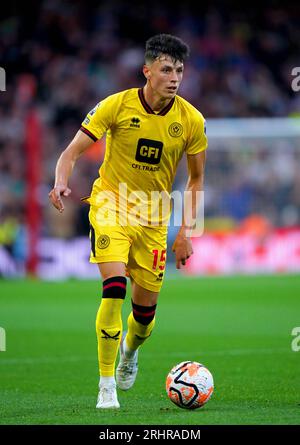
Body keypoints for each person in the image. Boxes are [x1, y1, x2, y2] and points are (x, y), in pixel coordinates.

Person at [49, 34, 207, 409]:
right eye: (166, 69)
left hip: (154, 218)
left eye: (180, 70)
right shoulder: (115, 106)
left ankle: (130, 350)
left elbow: (197, 179)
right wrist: (60, 181)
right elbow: (71, 152)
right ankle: (106, 385)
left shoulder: (191, 120)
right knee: (114, 287)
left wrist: (185, 232)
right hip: (110, 208)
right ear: (147, 71)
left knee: (144, 317)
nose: (174, 78)